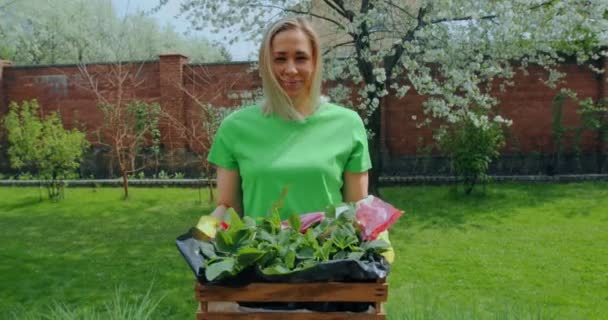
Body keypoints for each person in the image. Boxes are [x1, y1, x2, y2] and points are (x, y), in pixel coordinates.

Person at [207, 16, 371, 220]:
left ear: (315, 62)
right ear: (266, 64)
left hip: (329, 252)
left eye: (301, 58)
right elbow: (228, 210)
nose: (291, 69)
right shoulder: (234, 128)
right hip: (259, 251)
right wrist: (208, 231)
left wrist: (377, 238)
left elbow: (356, 210)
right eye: (280, 59)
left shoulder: (348, 124)